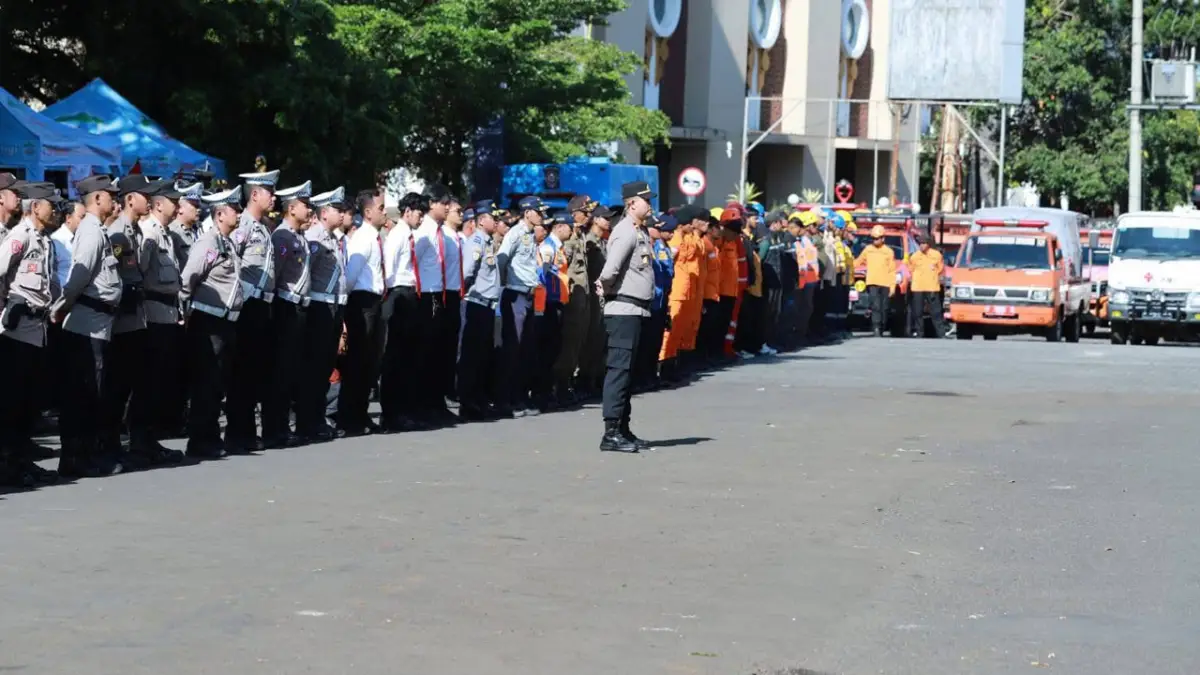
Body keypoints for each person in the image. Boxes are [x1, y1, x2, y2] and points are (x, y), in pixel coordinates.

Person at [51, 174, 124, 478]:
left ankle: (83, 455)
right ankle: (75, 459)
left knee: (89, 394)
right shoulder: (91, 231)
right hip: (86, 325)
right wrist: (59, 309)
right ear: (96, 199)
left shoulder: (98, 230)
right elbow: (78, 278)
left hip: (97, 324)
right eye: (109, 195)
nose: (114, 200)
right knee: (82, 395)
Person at [0, 182, 62, 487]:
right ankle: (10, 465)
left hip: (37, 329)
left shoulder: (43, 240)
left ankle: (24, 461)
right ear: (35, 207)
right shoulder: (20, 236)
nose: (55, 209)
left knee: (29, 403)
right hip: (17, 330)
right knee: (14, 403)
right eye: (50, 203)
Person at [179, 186, 245, 458]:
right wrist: (184, 309)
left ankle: (210, 436)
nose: (238, 215)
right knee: (206, 383)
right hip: (208, 322)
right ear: (220, 214)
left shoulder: (226, 242)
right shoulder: (208, 242)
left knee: (217, 384)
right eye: (234, 210)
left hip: (225, 322)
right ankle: (199, 440)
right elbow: (189, 278)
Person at [596, 181, 656, 453]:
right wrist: (606, 292)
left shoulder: (639, 231)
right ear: (632, 203)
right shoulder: (625, 232)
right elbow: (610, 272)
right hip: (623, 310)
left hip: (636, 310)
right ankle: (610, 433)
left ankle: (623, 428)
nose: (650, 204)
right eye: (646, 200)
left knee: (629, 373)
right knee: (619, 371)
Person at [131, 180, 187, 464]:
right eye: (173, 201)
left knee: (160, 382)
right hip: (152, 315)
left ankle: (150, 439)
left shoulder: (165, 233)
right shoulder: (149, 233)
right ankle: (141, 441)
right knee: (149, 382)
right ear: (159, 204)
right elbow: (138, 273)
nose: (178, 206)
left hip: (167, 314)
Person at [226, 170, 279, 451]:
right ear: (255, 194)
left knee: (254, 370)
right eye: (269, 191)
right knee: (242, 370)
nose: (273, 197)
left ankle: (246, 431)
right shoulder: (244, 225)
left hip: (262, 305)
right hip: (247, 305)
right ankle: (238, 433)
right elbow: (231, 261)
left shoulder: (263, 226)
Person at [262, 180, 314, 448]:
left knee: (291, 369)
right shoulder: (282, 237)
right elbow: (276, 276)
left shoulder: (298, 237)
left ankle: (282, 425)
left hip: (298, 307)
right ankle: (275, 428)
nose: (309, 210)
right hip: (285, 305)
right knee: (280, 371)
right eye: (305, 205)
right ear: (292, 208)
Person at [297, 187, 350, 442]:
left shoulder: (331, 238)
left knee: (326, 366)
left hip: (334, 305)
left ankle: (317, 419)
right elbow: (307, 274)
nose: (342, 215)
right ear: (325, 212)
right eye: (337, 210)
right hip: (319, 306)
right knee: (315, 368)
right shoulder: (315, 238)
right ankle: (308, 421)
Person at [339, 188, 388, 436]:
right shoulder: (363, 238)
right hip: (362, 302)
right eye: (380, 208)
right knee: (358, 362)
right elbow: (350, 277)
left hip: (375, 301)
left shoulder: (374, 237)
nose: (384, 212)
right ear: (368, 212)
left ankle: (361, 413)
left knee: (370, 363)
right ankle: (350, 418)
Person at [379, 191, 425, 431]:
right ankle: (391, 413)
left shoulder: (410, 235)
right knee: (395, 356)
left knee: (408, 356)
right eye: (419, 213)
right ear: (407, 212)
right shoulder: (398, 236)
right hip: (398, 293)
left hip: (410, 294)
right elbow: (389, 267)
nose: (421, 218)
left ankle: (404, 410)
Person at [496, 195, 544, 418]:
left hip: (528, 294)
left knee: (525, 349)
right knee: (512, 349)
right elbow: (502, 260)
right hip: (515, 294)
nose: (542, 216)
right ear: (527, 213)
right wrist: (506, 284)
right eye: (538, 212)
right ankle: (505, 400)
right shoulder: (515, 233)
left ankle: (519, 397)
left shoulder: (530, 235)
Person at [458, 200, 503, 420]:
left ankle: (478, 399)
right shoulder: (476, 241)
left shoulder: (487, 242)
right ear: (482, 219)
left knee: (482, 356)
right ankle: (468, 403)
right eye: (493, 218)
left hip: (486, 305)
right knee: (471, 357)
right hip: (475, 303)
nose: (496, 221)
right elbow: (467, 272)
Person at [552, 194, 595, 402]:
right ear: (574, 214)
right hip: (571, 299)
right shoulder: (568, 238)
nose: (588, 216)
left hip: (582, 297)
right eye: (585, 213)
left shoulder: (580, 236)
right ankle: (560, 385)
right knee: (569, 342)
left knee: (579, 341)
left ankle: (569, 382)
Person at [532, 213, 570, 409]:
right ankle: (542, 392)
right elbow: (542, 273)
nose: (571, 230)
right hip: (548, 304)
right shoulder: (548, 246)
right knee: (546, 350)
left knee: (553, 349)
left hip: (556, 302)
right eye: (569, 226)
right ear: (559, 227)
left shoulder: (557, 247)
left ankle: (547, 390)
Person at [634, 211, 674, 391]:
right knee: (644, 342)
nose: (659, 230)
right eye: (655, 227)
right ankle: (640, 377)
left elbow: (667, 272)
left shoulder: (660, 248)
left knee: (654, 341)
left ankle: (650, 375)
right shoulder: (643, 246)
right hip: (646, 300)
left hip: (659, 300)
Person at [576, 205, 612, 398]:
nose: (608, 221)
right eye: (605, 218)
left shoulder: (602, 242)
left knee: (600, 338)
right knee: (589, 339)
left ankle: (594, 378)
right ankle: (584, 379)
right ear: (596, 220)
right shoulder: (589, 241)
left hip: (601, 296)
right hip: (589, 295)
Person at [854, 224, 897, 336]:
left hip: (886, 283)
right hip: (872, 282)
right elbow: (858, 261)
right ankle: (876, 328)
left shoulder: (888, 252)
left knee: (885, 308)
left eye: (877, 238)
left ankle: (882, 326)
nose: (874, 240)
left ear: (883, 238)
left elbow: (892, 270)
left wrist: (892, 287)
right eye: (873, 238)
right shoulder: (868, 250)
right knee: (876, 306)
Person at [907, 235, 947, 338]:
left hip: (932, 287)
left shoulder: (936, 255)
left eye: (923, 243)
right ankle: (919, 333)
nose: (921, 246)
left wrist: (934, 276)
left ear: (928, 244)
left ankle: (941, 333)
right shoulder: (914, 256)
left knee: (936, 312)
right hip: (918, 287)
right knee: (918, 312)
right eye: (920, 243)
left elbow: (941, 269)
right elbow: (910, 269)